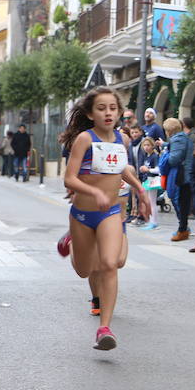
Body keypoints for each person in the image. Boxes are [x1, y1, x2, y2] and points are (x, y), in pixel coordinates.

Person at [59, 86, 150, 349]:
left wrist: (140, 189)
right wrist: (92, 191)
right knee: (84, 270)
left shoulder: (122, 140)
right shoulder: (85, 140)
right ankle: (73, 242)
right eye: (101, 108)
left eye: (112, 108)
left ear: (120, 112)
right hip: (83, 214)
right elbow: (69, 178)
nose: (108, 113)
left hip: (110, 212)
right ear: (90, 114)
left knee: (110, 264)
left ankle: (104, 329)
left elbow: (121, 167)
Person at [164, 117, 193, 241]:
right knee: (182, 201)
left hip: (181, 176)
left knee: (180, 201)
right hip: (185, 175)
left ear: (170, 130)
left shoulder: (178, 139)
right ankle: (183, 228)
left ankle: (183, 229)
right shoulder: (182, 138)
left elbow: (174, 159)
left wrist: (166, 154)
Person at [137, 137, 161, 230]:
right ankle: (151, 221)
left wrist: (148, 169)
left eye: (148, 145)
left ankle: (154, 222)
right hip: (147, 179)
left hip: (152, 180)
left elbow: (158, 169)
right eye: (145, 145)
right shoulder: (147, 156)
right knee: (148, 201)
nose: (146, 147)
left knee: (152, 202)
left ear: (152, 146)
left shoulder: (155, 156)